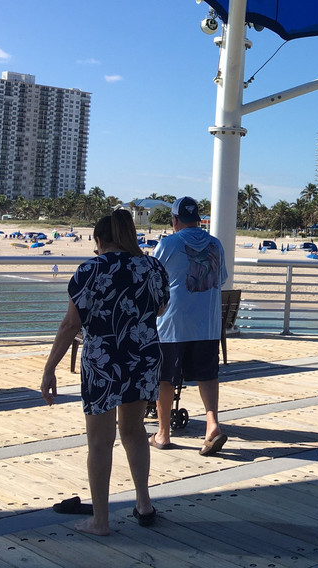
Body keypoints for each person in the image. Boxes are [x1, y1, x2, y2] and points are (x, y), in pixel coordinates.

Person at [41, 209, 167, 535]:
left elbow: (71, 324)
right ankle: (144, 503)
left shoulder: (90, 270)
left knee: (100, 442)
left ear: (100, 240)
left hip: (103, 362)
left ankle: (100, 521)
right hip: (142, 356)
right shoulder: (152, 266)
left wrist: (50, 368)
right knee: (134, 430)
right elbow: (161, 307)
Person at [151, 196, 229, 455]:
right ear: (197, 219)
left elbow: (152, 278)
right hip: (207, 324)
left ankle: (163, 434)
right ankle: (212, 425)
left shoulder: (168, 244)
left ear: (174, 220)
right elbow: (222, 278)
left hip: (172, 324)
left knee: (166, 379)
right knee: (207, 375)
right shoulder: (216, 244)